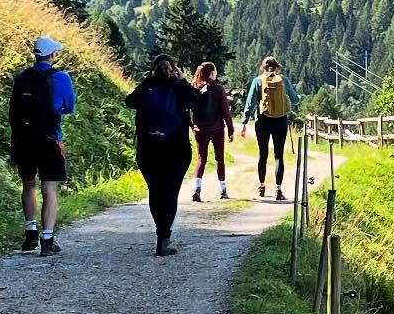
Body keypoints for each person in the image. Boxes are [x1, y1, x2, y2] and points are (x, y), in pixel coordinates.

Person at [8, 34, 76, 256]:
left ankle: (30, 234)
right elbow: (68, 108)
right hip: (49, 139)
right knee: (49, 188)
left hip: (23, 139)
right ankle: (47, 239)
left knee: (28, 184)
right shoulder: (61, 78)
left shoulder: (21, 78)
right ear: (52, 55)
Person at [126, 52, 198, 255]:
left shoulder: (148, 87)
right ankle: (163, 238)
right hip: (177, 148)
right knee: (170, 192)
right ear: (174, 69)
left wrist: (149, 78)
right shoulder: (179, 89)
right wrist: (182, 80)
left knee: (156, 192)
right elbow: (197, 102)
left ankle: (161, 231)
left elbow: (130, 101)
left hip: (148, 149)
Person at [242, 55, 300, 200]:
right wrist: (298, 97)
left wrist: (244, 122)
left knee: (263, 154)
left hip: (262, 121)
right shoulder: (283, 80)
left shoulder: (257, 81)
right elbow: (295, 99)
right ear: (276, 67)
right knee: (278, 155)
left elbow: (250, 103)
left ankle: (261, 187)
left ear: (263, 67)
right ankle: (278, 190)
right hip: (280, 121)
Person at [189, 61, 235, 202]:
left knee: (201, 158)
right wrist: (231, 130)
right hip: (217, 129)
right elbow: (226, 112)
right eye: (215, 71)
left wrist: (192, 126)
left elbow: (188, 109)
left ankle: (197, 187)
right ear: (212, 73)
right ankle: (222, 189)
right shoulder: (218, 89)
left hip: (200, 129)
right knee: (219, 158)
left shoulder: (194, 88)